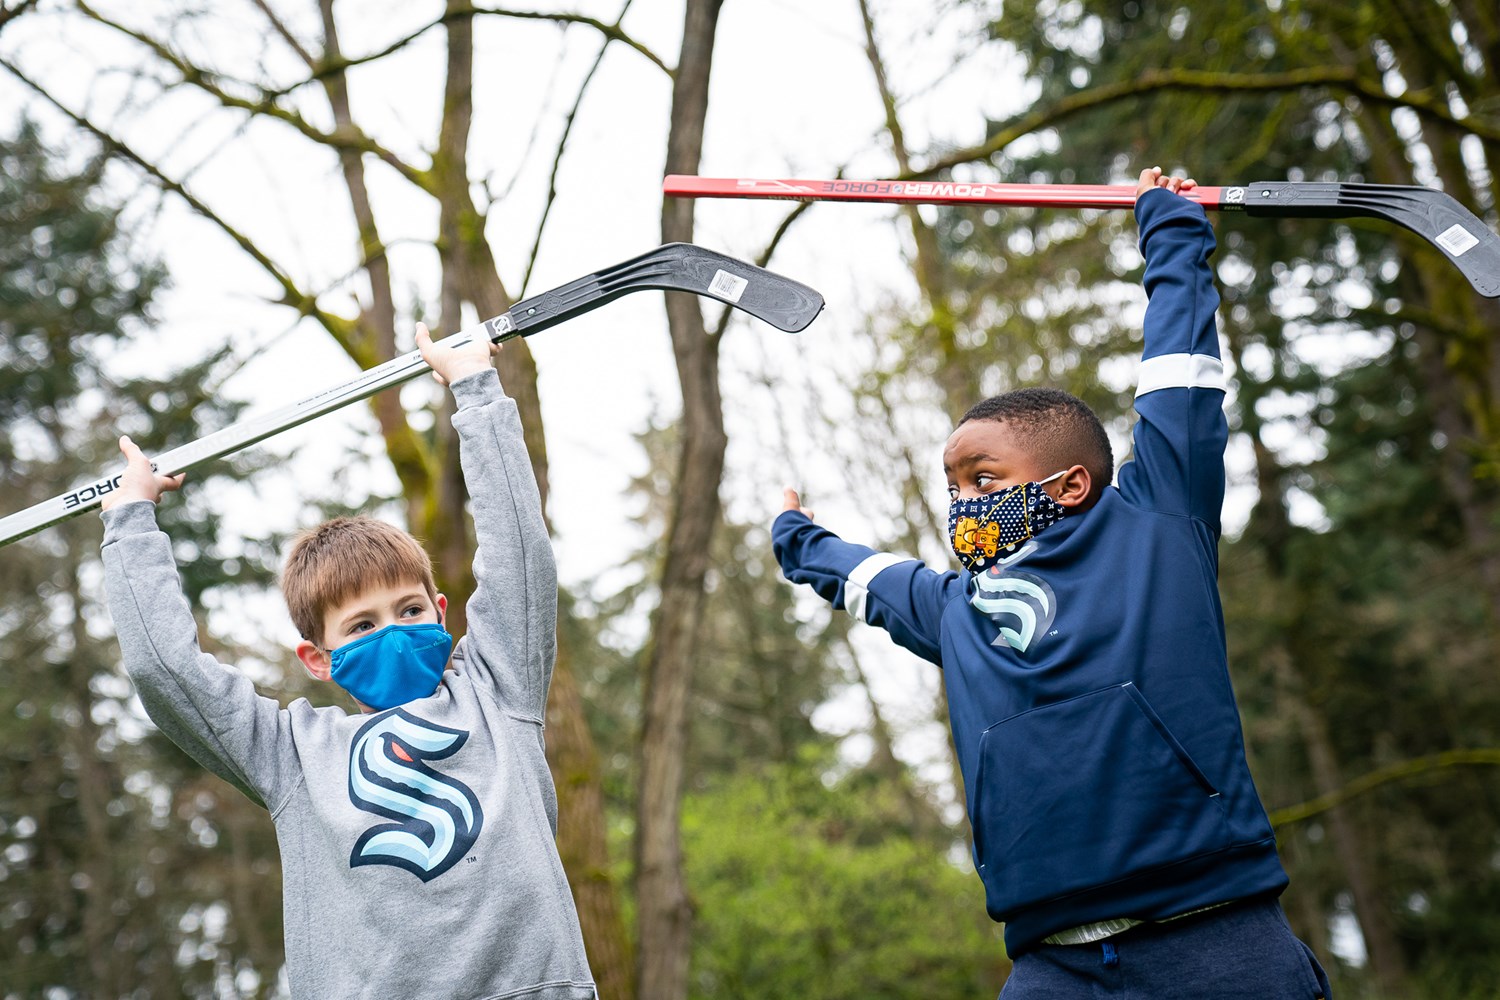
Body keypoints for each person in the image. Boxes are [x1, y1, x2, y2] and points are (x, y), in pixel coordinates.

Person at [772, 167, 1332, 998]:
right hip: (1052, 966)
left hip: (1217, 940)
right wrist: (794, 535)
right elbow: (866, 577)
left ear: (1071, 483)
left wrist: (1171, 232)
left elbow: (1179, 377)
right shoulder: (957, 611)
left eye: (984, 478)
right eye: (952, 484)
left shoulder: (1156, 526)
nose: (963, 501)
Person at [99, 326, 597, 999]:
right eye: (362, 625)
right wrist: (131, 522)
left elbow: (519, 555)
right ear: (318, 657)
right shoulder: (291, 755)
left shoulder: (499, 689)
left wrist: (475, 391)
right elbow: (170, 675)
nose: (392, 632)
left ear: (441, 611)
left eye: (409, 611)